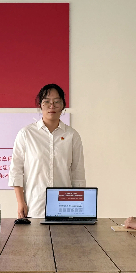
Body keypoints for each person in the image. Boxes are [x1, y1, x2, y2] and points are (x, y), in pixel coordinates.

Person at [9, 84, 86, 218]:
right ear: (40, 105)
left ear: (63, 105)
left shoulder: (72, 135)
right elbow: (16, 171)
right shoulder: (26, 134)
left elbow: (77, 174)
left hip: (64, 207)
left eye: (57, 101)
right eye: (47, 102)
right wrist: (20, 202)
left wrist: (78, 207)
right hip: (34, 206)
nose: (52, 106)